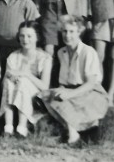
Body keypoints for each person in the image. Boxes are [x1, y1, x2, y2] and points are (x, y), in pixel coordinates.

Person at [38, 15, 109, 145]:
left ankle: (77, 132)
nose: (67, 35)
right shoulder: (61, 52)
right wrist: (63, 91)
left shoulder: (88, 52)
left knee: (67, 100)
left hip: (90, 91)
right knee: (47, 95)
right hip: (71, 89)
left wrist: (70, 94)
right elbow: (64, 82)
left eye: (71, 32)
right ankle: (75, 131)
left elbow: (91, 83)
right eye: (65, 31)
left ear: (79, 32)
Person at [0, 21, 52, 137]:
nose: (25, 40)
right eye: (22, 36)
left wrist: (26, 74)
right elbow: (3, 84)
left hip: (36, 98)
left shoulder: (44, 58)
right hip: (13, 94)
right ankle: (8, 128)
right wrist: (11, 78)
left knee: (23, 81)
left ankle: (21, 128)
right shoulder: (13, 56)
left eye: (29, 36)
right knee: (9, 81)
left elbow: (44, 86)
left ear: (37, 37)